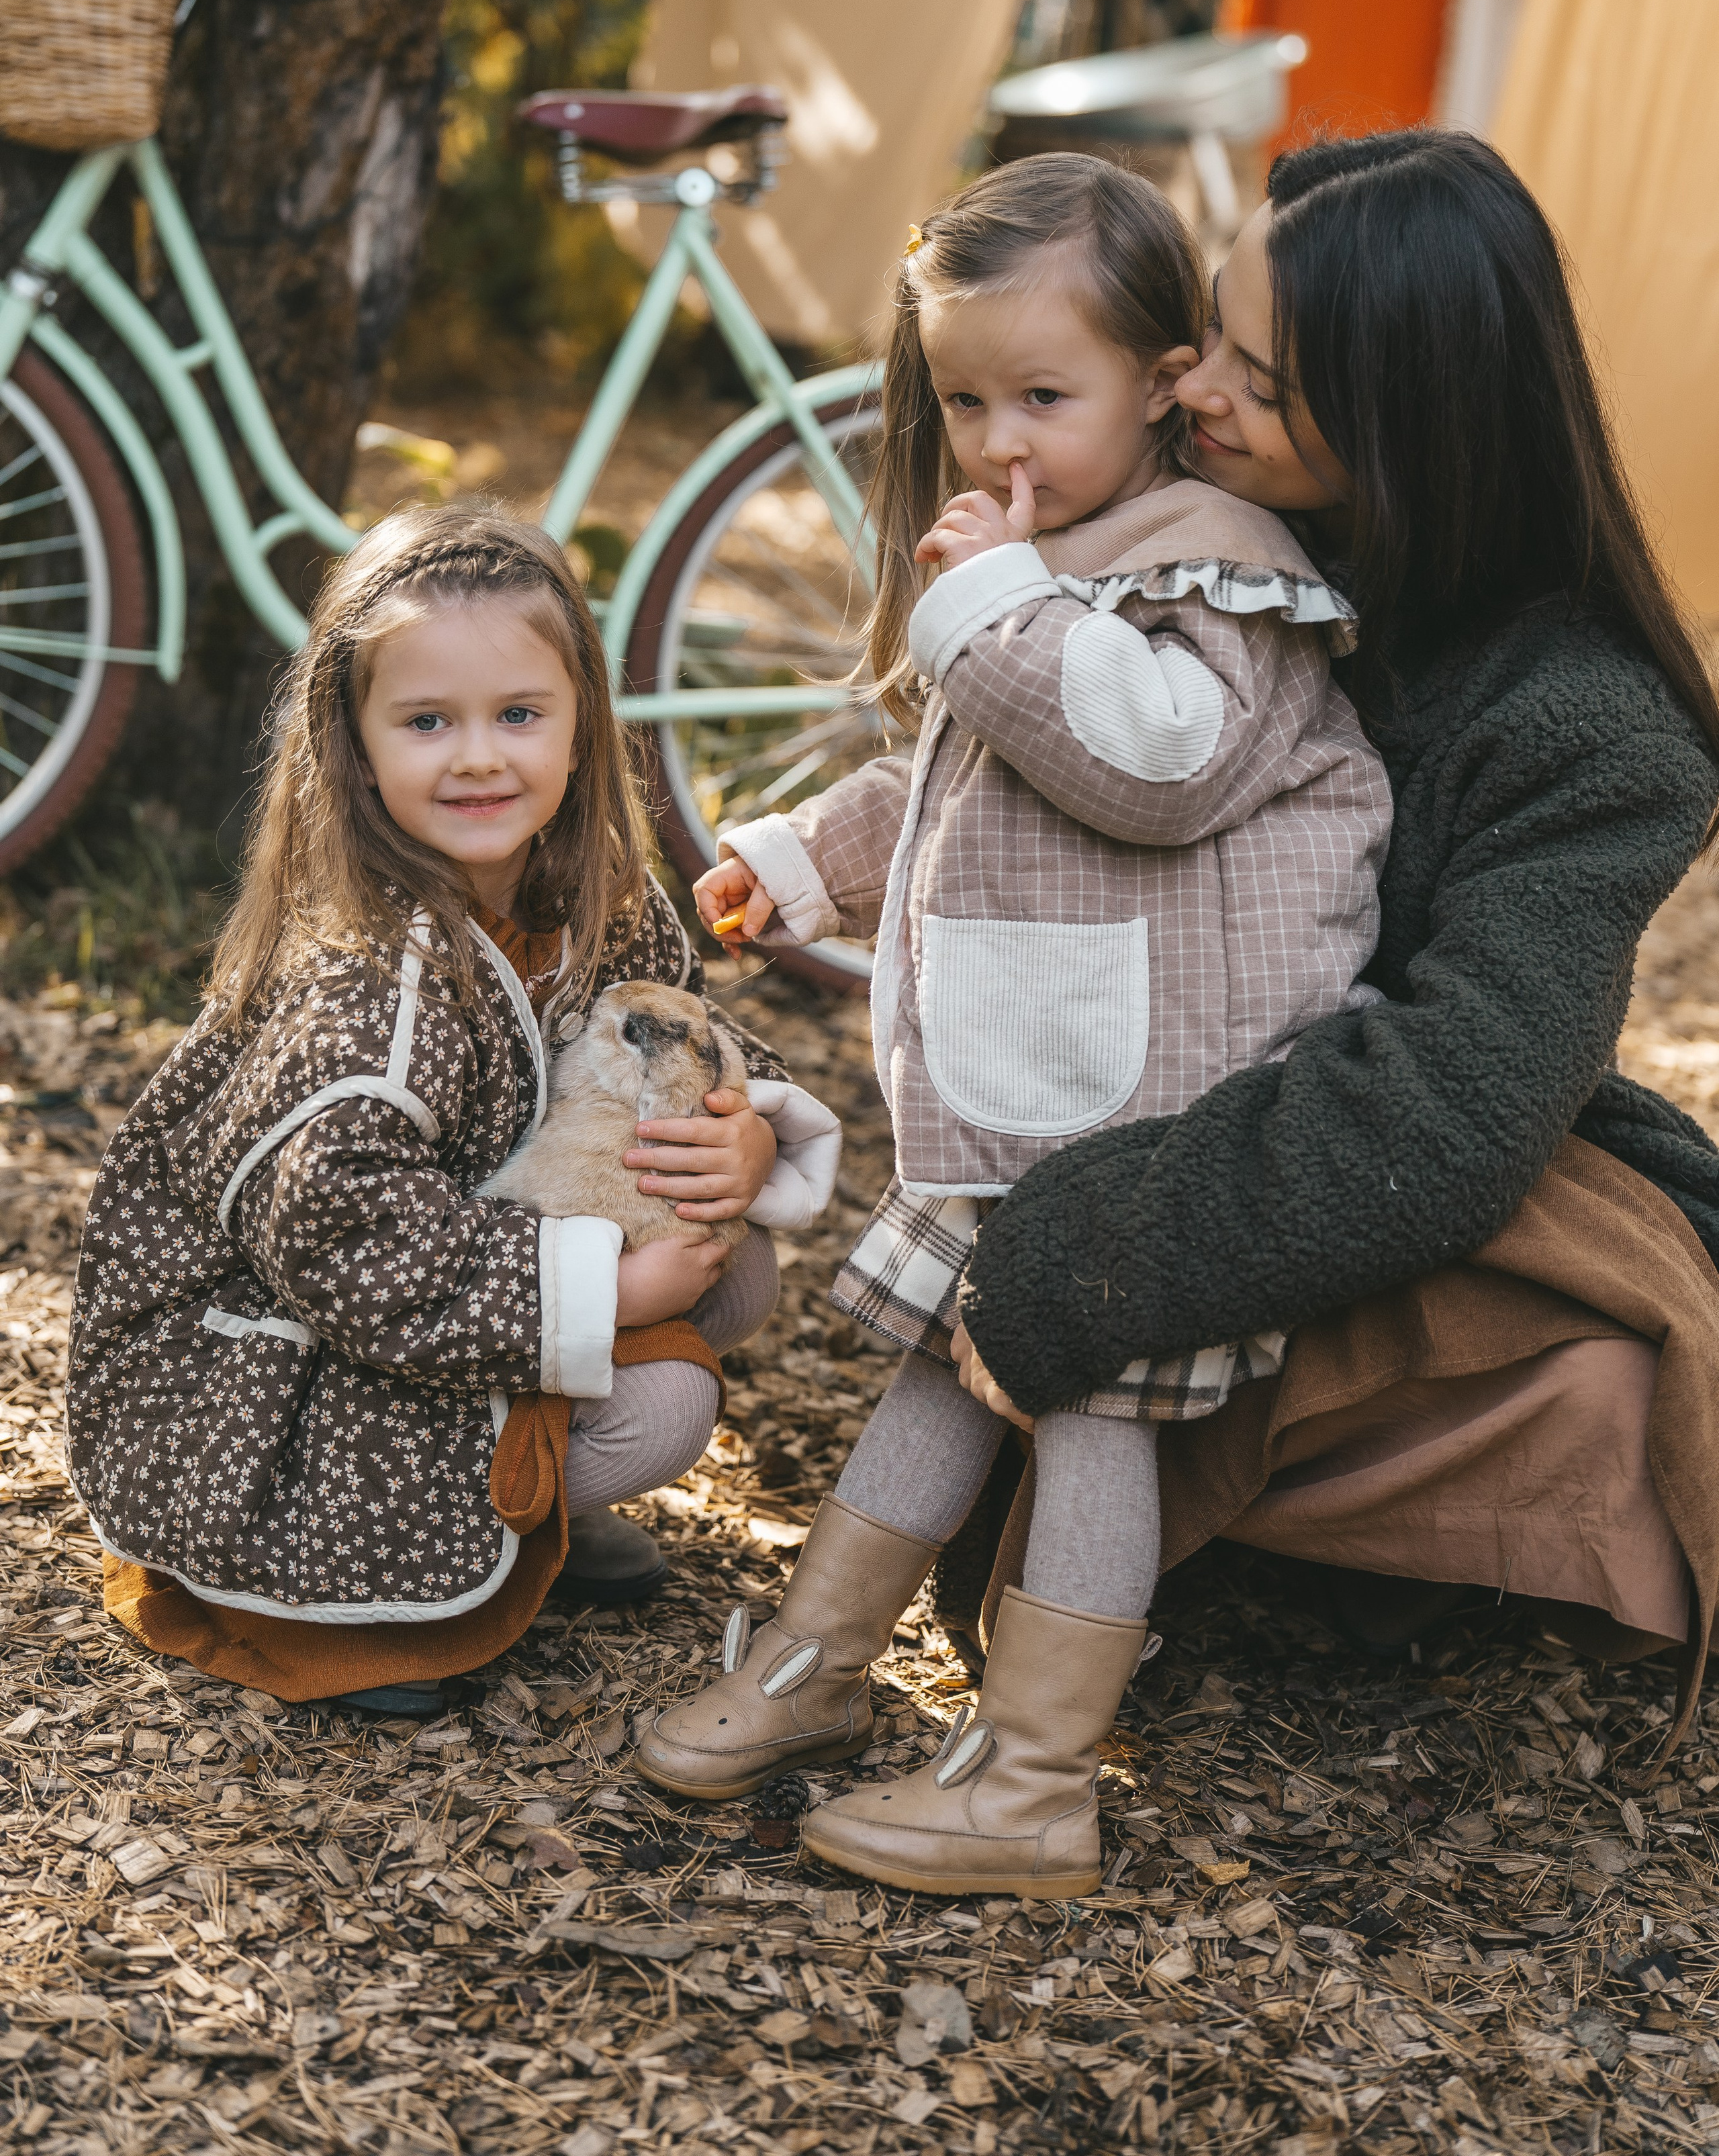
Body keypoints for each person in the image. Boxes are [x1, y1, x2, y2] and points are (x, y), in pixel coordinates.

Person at [636, 152, 1393, 1898]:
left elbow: (1152, 764)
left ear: (1160, 382)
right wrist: (803, 860)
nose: (997, 443)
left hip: (1154, 1120)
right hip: (1042, 1091)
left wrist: (992, 604)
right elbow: (966, 772)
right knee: (942, 1367)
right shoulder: (1054, 561)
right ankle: (819, 1664)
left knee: (1092, 1410)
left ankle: (1040, 1778)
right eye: (966, 400)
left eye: (1043, 398)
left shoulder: (1222, 568)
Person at [952, 131, 1719, 1755]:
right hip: (1134, 1091)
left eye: (1264, 380)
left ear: (1407, 420)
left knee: (1611, 1382)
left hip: (1355, 1142)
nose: (1192, 386)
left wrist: (1083, 1255)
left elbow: (1447, 1108)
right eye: (1209, 334)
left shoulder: (1590, 729)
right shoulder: (1203, 553)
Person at [67, 506, 840, 1716]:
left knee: (735, 1270)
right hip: (277, 1354)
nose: (479, 757)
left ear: (582, 725)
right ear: (355, 744)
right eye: (428, 722)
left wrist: (738, 1131)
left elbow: (679, 1024)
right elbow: (346, 1244)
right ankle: (335, 1585)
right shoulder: (361, 979)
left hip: (456, 1278)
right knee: (669, 1405)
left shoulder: (596, 895)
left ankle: (519, 1501)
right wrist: (603, 1295)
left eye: (519, 714)